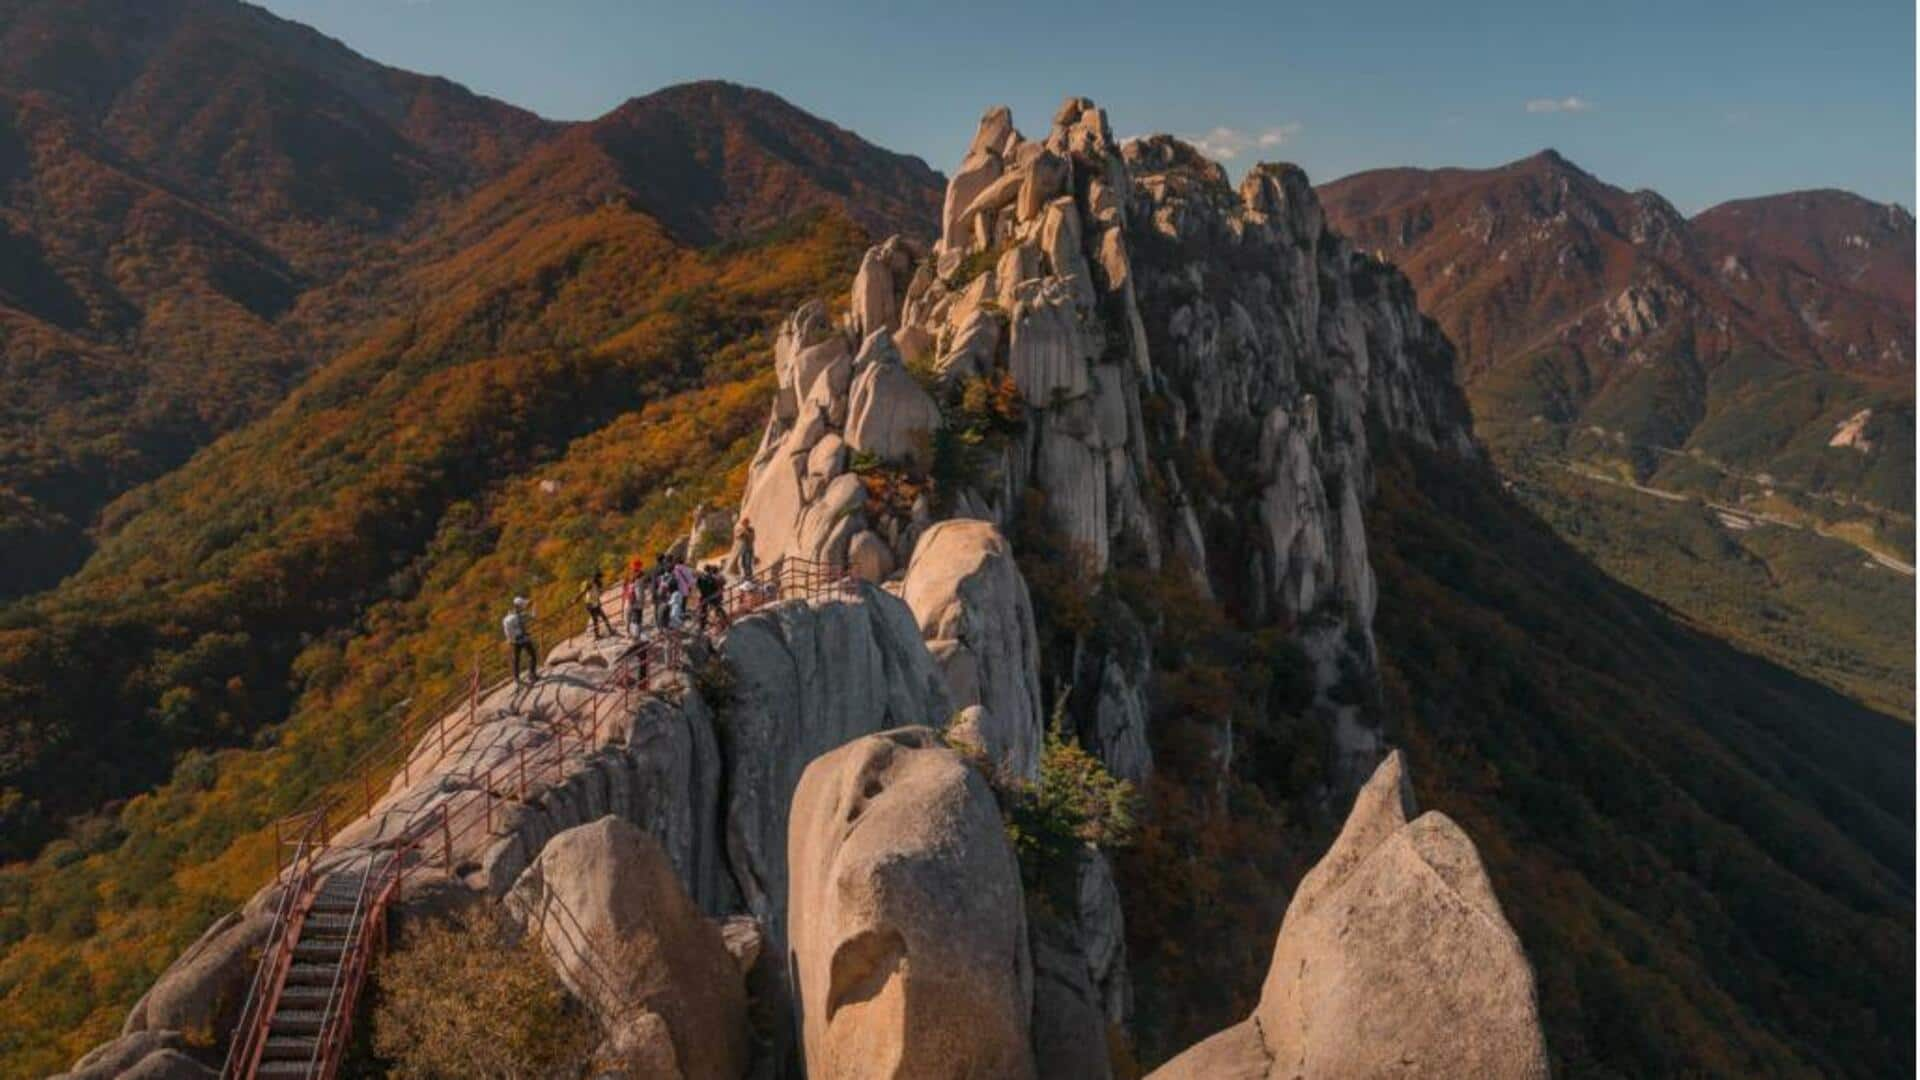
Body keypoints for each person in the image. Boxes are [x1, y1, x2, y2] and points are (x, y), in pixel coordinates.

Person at [503, 596, 538, 685]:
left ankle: (516, 677)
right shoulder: (522, 616)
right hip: (524, 639)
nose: (525, 606)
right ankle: (532, 675)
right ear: (520, 606)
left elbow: (507, 630)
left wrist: (510, 640)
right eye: (523, 605)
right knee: (532, 655)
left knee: (516, 659)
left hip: (514, 641)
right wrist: (534, 607)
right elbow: (534, 617)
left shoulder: (508, 616)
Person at [577, 569, 614, 639]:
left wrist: (599, 601)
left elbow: (596, 594)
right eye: (600, 578)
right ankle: (601, 634)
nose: (601, 579)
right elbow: (583, 593)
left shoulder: (597, 584)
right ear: (597, 577)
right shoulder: (590, 584)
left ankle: (605, 632)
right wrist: (576, 599)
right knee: (597, 619)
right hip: (590, 605)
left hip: (594, 603)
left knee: (601, 618)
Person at [695, 564, 727, 633]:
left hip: (703, 597)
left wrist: (701, 592)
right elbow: (716, 587)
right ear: (709, 570)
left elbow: (697, 586)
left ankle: (702, 626)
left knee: (703, 611)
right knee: (718, 608)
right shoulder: (712, 578)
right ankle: (724, 621)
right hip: (711, 596)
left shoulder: (700, 577)